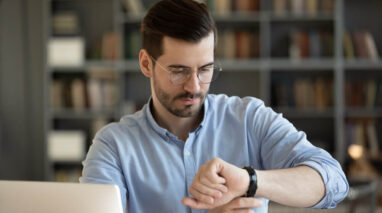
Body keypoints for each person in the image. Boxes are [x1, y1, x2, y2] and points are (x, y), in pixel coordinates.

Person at [80, 0, 349, 212]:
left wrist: (249, 181)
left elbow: (334, 183)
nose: (195, 86)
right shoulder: (113, 145)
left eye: (205, 69)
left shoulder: (249, 119)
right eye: (179, 71)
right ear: (146, 64)